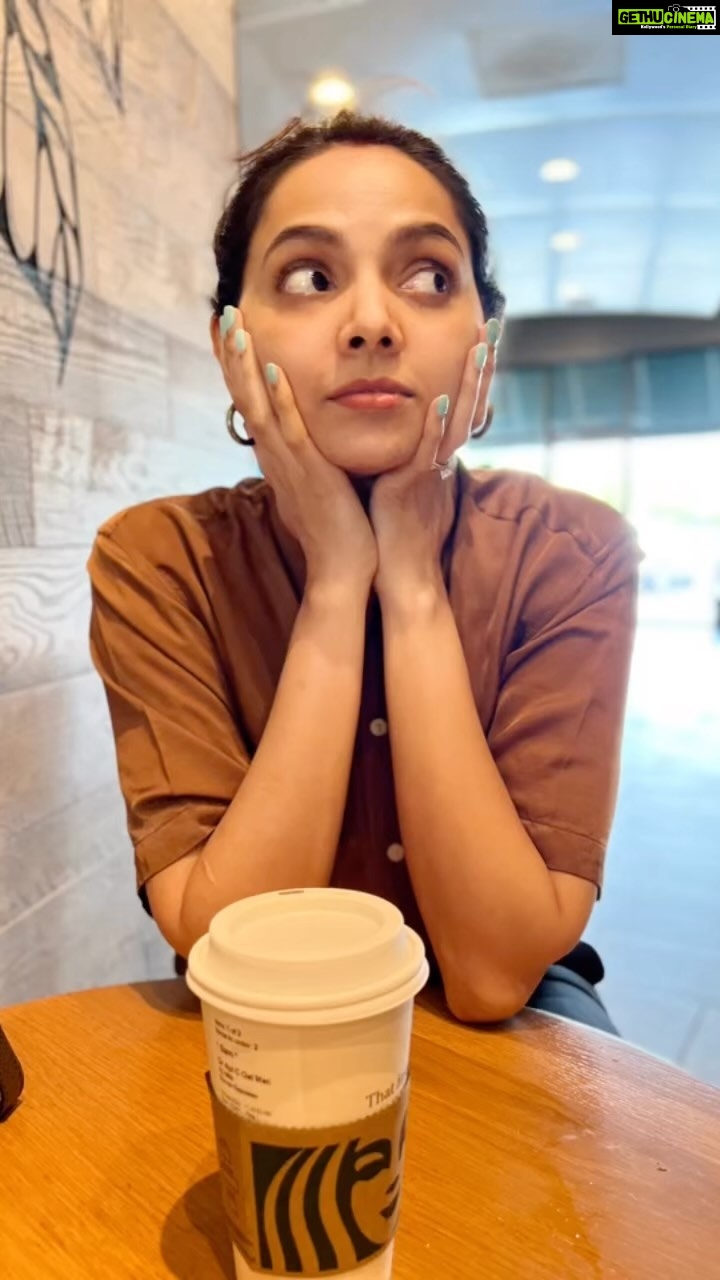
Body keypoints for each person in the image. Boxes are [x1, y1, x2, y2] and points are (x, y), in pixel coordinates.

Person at [87, 113, 642, 1032]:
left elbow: (495, 974)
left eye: (428, 276)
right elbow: (229, 941)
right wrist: (340, 583)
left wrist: (415, 587)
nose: (374, 325)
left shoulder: (572, 552)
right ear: (232, 344)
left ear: (484, 343)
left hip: (526, 1006)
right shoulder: (159, 561)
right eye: (312, 277)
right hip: (264, 1016)